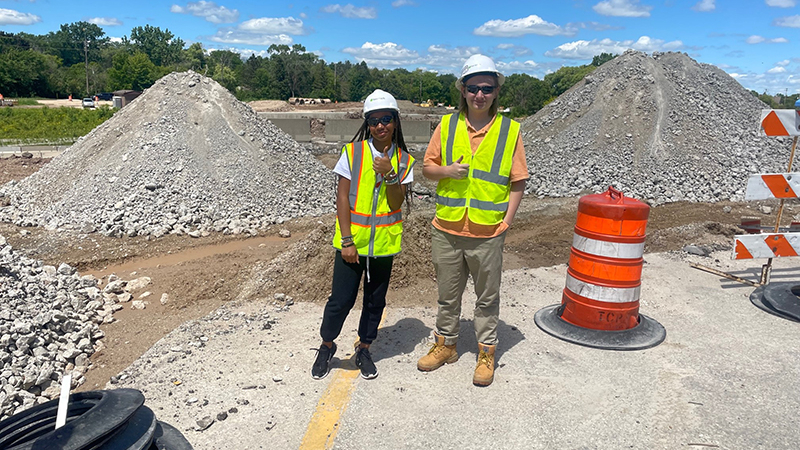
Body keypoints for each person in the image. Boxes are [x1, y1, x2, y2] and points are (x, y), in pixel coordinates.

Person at [416, 54, 529, 386]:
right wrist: (447, 171)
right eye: (473, 88)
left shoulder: (510, 131)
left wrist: (505, 222)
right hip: (447, 229)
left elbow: (518, 180)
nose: (480, 94)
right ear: (462, 91)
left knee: (486, 298)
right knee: (447, 295)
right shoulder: (447, 126)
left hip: (487, 231)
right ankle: (446, 345)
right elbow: (426, 169)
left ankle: (486, 352)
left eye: (487, 88)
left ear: (495, 92)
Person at [312, 89, 415, 380]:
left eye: (386, 119)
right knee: (340, 300)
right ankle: (327, 345)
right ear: (367, 123)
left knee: (374, 302)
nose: (380, 125)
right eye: (374, 120)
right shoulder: (352, 152)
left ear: (395, 121)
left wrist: (390, 172)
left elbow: (396, 203)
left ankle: (365, 348)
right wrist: (347, 241)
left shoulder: (404, 160)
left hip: (383, 246)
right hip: (351, 243)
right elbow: (342, 197)